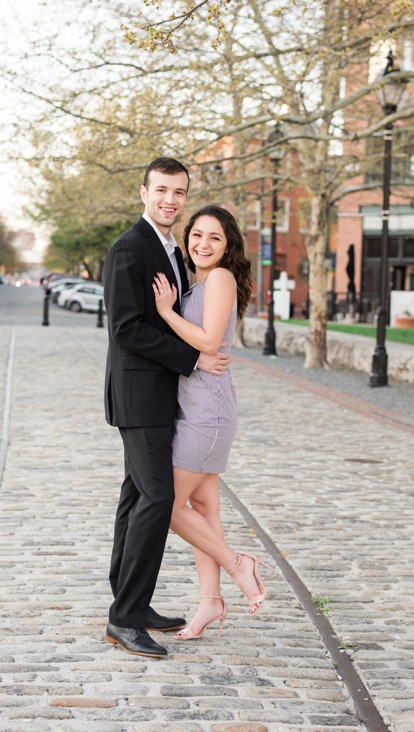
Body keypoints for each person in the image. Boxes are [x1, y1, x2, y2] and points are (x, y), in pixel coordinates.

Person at [103, 157, 231, 659]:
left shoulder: (173, 251)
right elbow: (126, 329)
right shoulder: (128, 249)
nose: (170, 200)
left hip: (163, 398)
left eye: (178, 192)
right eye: (161, 190)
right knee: (158, 499)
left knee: (136, 499)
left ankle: (130, 600)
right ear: (144, 192)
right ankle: (125, 619)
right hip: (139, 397)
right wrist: (193, 358)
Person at [151, 204, 270, 640]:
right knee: (202, 510)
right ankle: (210, 604)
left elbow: (208, 339)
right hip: (195, 406)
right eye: (197, 235)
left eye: (214, 238)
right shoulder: (195, 282)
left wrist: (165, 312)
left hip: (208, 412)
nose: (203, 244)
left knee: (165, 505)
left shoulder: (220, 279)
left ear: (228, 245)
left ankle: (241, 565)